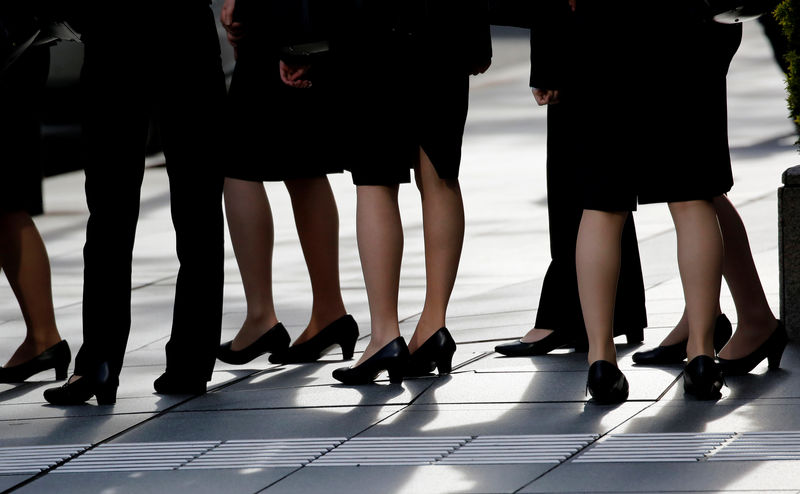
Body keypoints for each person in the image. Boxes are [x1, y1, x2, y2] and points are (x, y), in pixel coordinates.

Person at [550, 0, 756, 403]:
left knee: (601, 203)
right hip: (689, 23)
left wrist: (548, 60)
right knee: (690, 195)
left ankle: (601, 360)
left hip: (603, 30)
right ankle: (700, 353)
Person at [44, 0, 227, 405]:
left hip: (114, 28)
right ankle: (190, 362)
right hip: (183, 27)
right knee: (198, 203)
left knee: (110, 209)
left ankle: (98, 363)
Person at [326, 0, 492, 384]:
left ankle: (385, 333)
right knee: (439, 174)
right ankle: (434, 323)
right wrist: (476, 31)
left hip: (369, 26)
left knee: (375, 179)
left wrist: (305, 42)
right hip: (445, 21)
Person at [492, 5, 648, 358]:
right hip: (635, 31)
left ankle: (567, 314)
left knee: (580, 178)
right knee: (609, 178)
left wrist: (547, 65)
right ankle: (623, 308)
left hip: (583, 35)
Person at [215, 0, 358, 367]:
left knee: (238, 161)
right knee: (303, 162)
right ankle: (329, 310)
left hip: (279, 17)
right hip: (298, 19)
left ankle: (263, 315)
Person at [0, 44, 70, 383]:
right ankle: (43, 336)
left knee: (6, 199)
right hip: (19, 44)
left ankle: (43, 336)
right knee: (6, 201)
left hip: (12, 48)